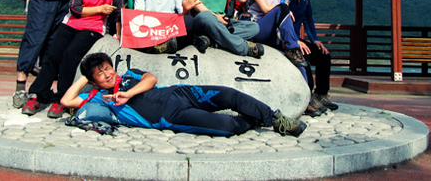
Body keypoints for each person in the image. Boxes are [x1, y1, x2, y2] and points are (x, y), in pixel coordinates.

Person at [60, 52, 307, 137]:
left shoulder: (128, 75)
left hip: (181, 93)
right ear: (93, 81)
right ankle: (256, 119)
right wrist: (88, 75)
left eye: (107, 67)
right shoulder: (99, 98)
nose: (107, 74)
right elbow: (66, 101)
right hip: (170, 116)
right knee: (229, 126)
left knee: (229, 95)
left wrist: (128, 93)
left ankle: (277, 120)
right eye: (100, 74)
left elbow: (151, 78)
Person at [22, 0, 123, 118]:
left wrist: (119, 35)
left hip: (95, 27)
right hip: (72, 23)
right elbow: (75, 9)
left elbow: (118, 11)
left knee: (71, 54)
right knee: (53, 54)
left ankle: (61, 97)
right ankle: (37, 93)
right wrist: (100, 8)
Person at [248, 0, 325, 116]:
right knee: (283, 10)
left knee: (299, 62)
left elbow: (302, 18)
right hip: (258, 28)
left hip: (274, 34)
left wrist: (293, 38)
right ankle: (292, 46)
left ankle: (307, 101)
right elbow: (266, 9)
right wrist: (293, 37)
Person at [287, 0, 338, 112]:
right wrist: (295, 40)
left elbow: (308, 18)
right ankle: (307, 100)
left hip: (299, 39)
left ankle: (320, 95)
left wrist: (314, 40)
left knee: (323, 54)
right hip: (285, 39)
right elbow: (281, 18)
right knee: (305, 58)